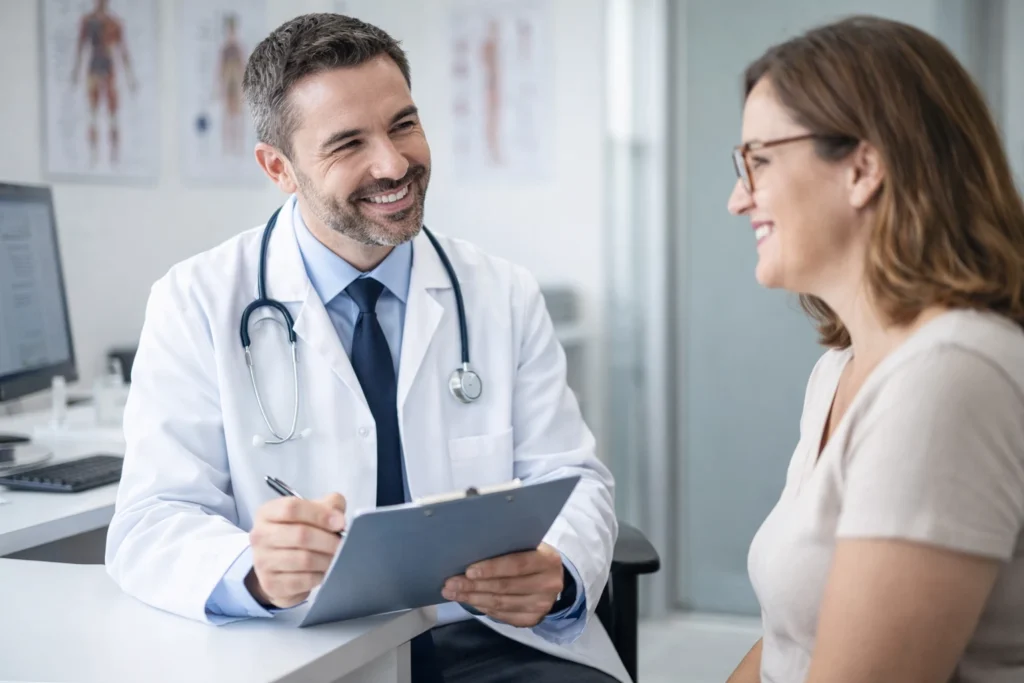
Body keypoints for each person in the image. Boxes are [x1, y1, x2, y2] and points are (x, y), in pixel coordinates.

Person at [104, 13, 627, 683]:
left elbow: (574, 478)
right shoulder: (196, 300)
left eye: (403, 124)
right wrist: (253, 570)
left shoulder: (501, 292)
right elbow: (149, 519)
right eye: (348, 143)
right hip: (302, 647)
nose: (394, 163)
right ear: (279, 168)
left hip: (489, 639)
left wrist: (558, 571)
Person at [725, 16, 1024, 683]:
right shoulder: (838, 371)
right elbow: (786, 642)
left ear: (863, 166)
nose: (737, 198)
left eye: (759, 160)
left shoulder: (952, 374)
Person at [70, 0, 136, 166]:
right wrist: (76, 71)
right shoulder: (87, 21)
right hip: (94, 67)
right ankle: (93, 154)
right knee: (92, 115)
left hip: (108, 68)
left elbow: (123, 51)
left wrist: (130, 78)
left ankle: (114, 155)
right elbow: (80, 47)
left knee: (113, 116)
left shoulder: (114, 23)